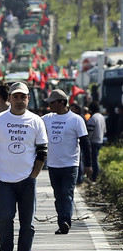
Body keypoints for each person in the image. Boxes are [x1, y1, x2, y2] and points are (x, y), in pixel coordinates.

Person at [0, 82, 48, 251]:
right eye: (15, 97)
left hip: (26, 181)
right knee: (5, 218)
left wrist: (33, 176)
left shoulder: (36, 121)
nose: (19, 101)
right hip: (3, 181)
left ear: (28, 99)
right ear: (9, 99)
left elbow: (42, 151)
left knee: (28, 223)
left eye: (23, 97)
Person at [42, 89, 92, 235]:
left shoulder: (76, 120)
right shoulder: (47, 118)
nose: (50, 105)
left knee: (66, 193)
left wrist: (88, 165)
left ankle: (65, 221)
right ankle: (62, 221)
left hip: (70, 165)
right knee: (58, 195)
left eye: (52, 102)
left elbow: (85, 143)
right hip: (53, 164)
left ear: (61, 102)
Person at [85, 101, 106, 181]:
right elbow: (104, 130)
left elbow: (90, 132)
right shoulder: (102, 117)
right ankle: (96, 176)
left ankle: (94, 177)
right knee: (96, 159)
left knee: (93, 161)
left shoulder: (93, 118)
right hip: (100, 140)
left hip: (93, 142)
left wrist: (87, 141)